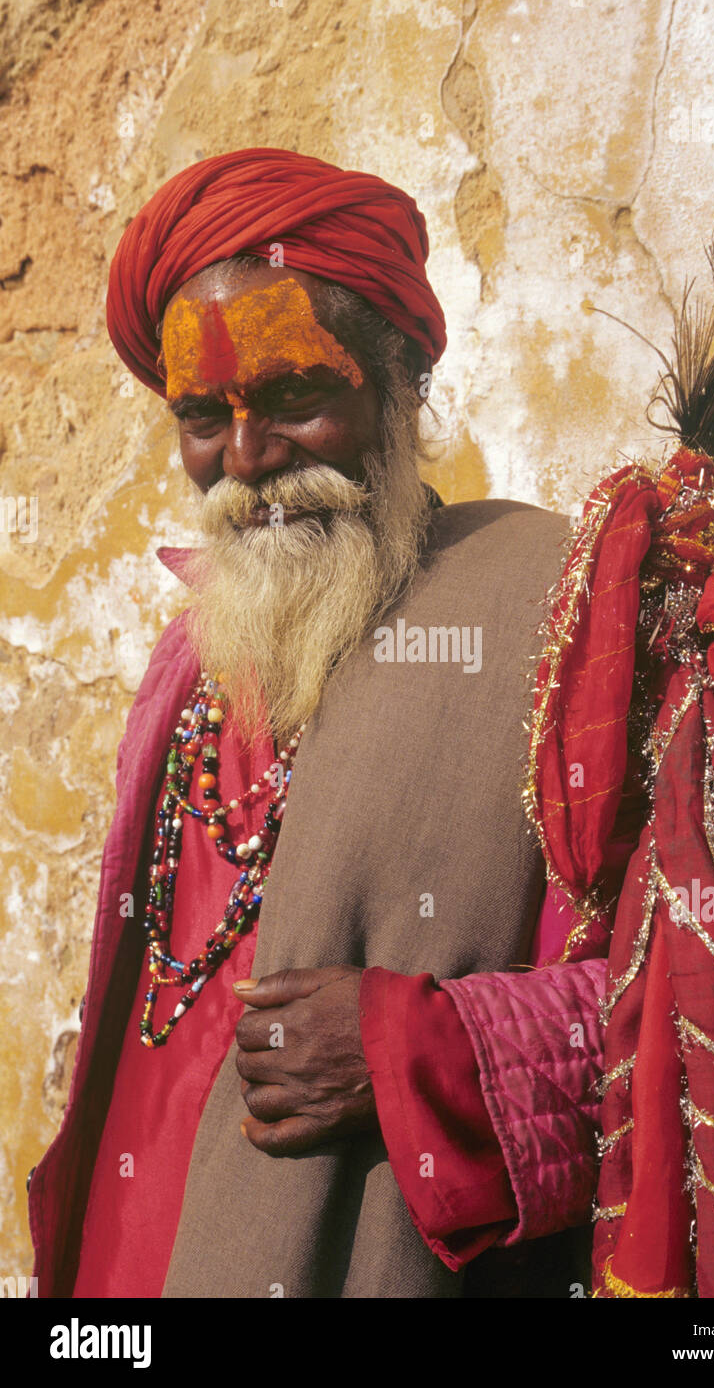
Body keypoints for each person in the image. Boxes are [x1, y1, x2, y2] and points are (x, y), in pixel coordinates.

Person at [29, 148, 607, 1300]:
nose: (246, 460)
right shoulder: (193, 657)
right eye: (204, 417)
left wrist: (420, 1052)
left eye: (295, 397)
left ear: (402, 383)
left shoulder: (566, 608)